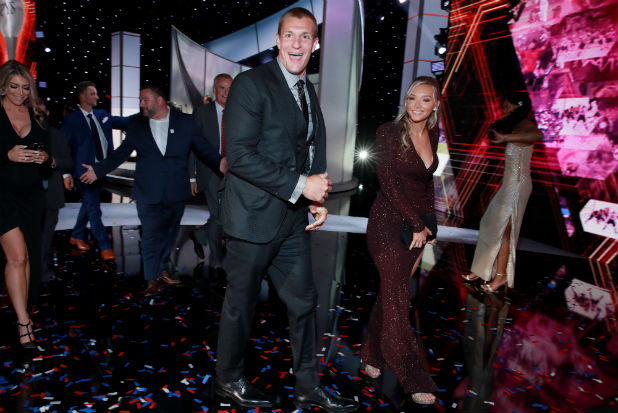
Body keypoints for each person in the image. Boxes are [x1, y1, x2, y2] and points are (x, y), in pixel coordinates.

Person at [215, 7, 357, 412]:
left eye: (305, 37)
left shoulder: (305, 88)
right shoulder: (250, 84)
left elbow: (309, 145)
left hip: (290, 220)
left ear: (315, 44)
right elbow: (239, 155)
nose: (297, 44)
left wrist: (316, 197)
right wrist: (301, 186)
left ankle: (309, 387)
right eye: (289, 36)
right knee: (241, 306)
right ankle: (227, 381)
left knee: (303, 303)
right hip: (251, 219)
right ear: (277, 40)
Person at [79, 85, 224, 297]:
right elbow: (121, 153)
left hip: (175, 191)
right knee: (150, 235)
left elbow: (203, 148)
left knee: (168, 235)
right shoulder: (137, 123)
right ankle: (151, 278)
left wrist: (222, 164)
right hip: (147, 191)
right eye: (140, 101)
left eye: (145, 100)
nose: (141, 104)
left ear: (160, 101)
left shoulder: (185, 122)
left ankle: (161, 269)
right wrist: (98, 170)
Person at [360, 76, 440, 406]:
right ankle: (411, 374)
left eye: (425, 100)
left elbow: (427, 184)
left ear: (436, 104)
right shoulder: (389, 132)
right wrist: (418, 224)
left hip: (418, 229)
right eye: (411, 99)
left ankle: (371, 356)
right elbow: (389, 185)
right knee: (398, 298)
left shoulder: (433, 133)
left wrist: (430, 224)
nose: (416, 106)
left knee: (391, 293)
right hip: (387, 225)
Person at [461, 91, 543, 293]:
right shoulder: (515, 126)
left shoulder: (526, 126)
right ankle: (482, 270)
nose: (504, 108)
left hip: (517, 185)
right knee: (488, 224)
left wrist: (507, 137)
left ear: (517, 106)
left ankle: (500, 277)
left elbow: (538, 135)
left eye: (506, 105)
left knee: (504, 232)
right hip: (509, 185)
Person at [0, 60, 51, 348]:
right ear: (3, 86)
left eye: (25, 87)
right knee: (17, 257)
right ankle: (23, 323)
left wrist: (45, 158)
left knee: (29, 258)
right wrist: (6, 155)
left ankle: (26, 309)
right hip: (2, 195)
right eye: (14, 87)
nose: (20, 93)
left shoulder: (36, 114)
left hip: (32, 196)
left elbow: (46, 151)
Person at [61, 81, 127, 262]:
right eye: (93, 93)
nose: (97, 97)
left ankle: (76, 235)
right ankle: (105, 246)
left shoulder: (102, 115)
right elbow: (63, 149)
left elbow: (125, 122)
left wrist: (147, 114)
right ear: (82, 96)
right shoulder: (71, 120)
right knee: (94, 208)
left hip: (101, 170)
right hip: (83, 172)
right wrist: (66, 174)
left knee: (88, 206)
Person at [188, 73, 232, 276]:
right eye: (222, 88)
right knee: (218, 215)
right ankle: (216, 260)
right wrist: (192, 176)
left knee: (225, 214)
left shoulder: (239, 113)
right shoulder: (202, 113)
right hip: (210, 171)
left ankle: (200, 235)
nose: (226, 92)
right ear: (214, 90)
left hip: (233, 173)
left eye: (229, 88)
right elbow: (192, 146)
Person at [34, 99, 73, 297]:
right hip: (27, 196)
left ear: (47, 113)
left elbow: (67, 160)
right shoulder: (19, 135)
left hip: (51, 195)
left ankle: (40, 274)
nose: (38, 115)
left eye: (41, 112)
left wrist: (56, 163)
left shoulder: (56, 135)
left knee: (46, 237)